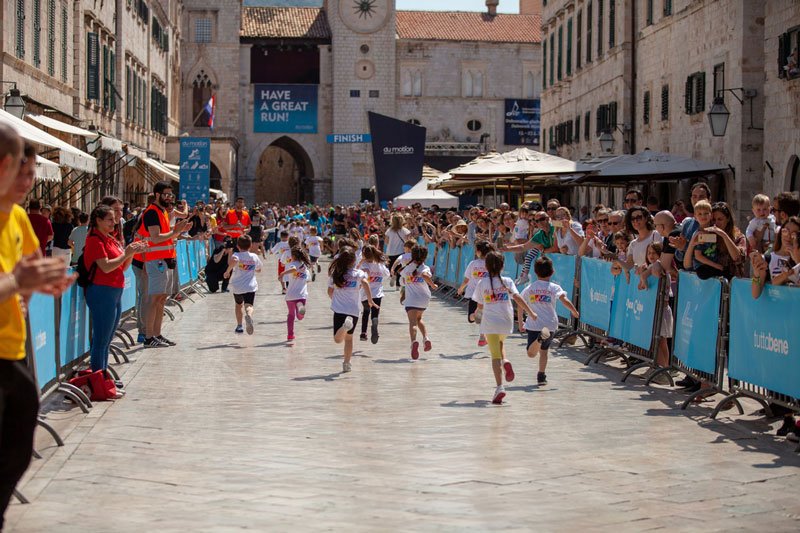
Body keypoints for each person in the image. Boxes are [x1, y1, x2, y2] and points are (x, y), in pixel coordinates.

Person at [0, 127, 74, 528]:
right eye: (22, 171)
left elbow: (28, 265)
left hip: (12, 349)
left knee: (16, 449)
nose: (28, 181)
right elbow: (17, 276)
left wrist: (35, 285)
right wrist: (19, 282)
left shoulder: (16, 216)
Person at [83, 205, 146, 375]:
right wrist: (126, 253)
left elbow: (122, 267)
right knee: (101, 340)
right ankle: (99, 377)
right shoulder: (95, 240)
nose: (114, 222)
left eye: (114, 219)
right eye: (109, 219)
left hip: (114, 290)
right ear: (98, 220)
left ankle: (103, 376)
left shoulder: (110, 239)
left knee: (107, 338)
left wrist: (131, 252)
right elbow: (105, 267)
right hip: (102, 291)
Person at [472, 251, 536, 404]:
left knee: (494, 355)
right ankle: (505, 361)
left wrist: (475, 315)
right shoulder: (507, 281)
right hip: (506, 322)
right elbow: (517, 297)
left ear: (486, 266)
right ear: (502, 266)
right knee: (500, 343)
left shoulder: (482, 283)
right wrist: (530, 312)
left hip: (490, 322)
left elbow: (480, 305)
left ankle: (500, 387)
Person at [134, 181, 191, 348]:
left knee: (161, 298)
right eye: (166, 195)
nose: (169, 198)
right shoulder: (152, 212)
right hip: (156, 260)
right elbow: (156, 237)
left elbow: (166, 236)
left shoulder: (163, 212)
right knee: (154, 299)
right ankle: (149, 336)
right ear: (157, 195)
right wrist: (175, 231)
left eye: (171, 195)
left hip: (165, 259)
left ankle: (157, 334)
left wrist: (178, 231)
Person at [518, 256, 579, 386]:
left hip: (534, 324)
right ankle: (541, 375)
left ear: (535, 272)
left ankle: (539, 340)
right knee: (544, 352)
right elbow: (564, 300)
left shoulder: (530, 288)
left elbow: (520, 303)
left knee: (531, 353)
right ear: (552, 272)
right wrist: (574, 311)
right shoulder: (554, 287)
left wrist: (520, 321)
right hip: (550, 324)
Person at [327, 248, 376, 373]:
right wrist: (370, 300)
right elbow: (365, 283)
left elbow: (330, 291)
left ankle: (344, 327)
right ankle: (347, 363)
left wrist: (334, 299)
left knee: (338, 340)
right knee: (349, 339)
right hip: (353, 310)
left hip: (339, 309)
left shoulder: (336, 274)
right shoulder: (358, 273)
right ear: (354, 261)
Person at [400, 245, 437, 359]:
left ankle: (414, 342)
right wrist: (432, 285)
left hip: (412, 299)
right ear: (425, 257)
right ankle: (426, 338)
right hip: (424, 298)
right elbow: (425, 275)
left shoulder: (407, 269)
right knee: (419, 318)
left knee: (413, 322)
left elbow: (402, 282)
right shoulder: (425, 268)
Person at [457, 240, 493, 347]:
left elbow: (466, 280)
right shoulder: (491, 264)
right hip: (487, 293)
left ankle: (478, 316)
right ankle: (482, 336)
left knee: (471, 318)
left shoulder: (473, 264)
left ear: (478, 251)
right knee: (483, 315)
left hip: (474, 294)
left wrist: (460, 289)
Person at [224, 235, 262, 335]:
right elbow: (259, 269)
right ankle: (248, 315)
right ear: (250, 245)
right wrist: (252, 268)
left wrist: (227, 271)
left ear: (238, 246)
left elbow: (234, 261)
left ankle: (239, 326)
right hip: (250, 286)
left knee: (238, 305)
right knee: (249, 305)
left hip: (238, 286)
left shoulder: (236, 255)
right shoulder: (254, 256)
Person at [358, 245, 389, 344]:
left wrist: (361, 262)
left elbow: (357, 273)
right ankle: (374, 324)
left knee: (366, 312)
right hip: (377, 293)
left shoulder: (364, 265)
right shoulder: (379, 264)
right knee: (375, 314)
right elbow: (387, 274)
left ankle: (363, 333)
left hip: (365, 294)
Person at [280, 246, 311, 341]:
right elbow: (308, 280)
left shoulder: (292, 264)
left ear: (293, 256)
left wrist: (283, 273)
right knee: (300, 317)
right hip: (301, 295)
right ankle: (300, 307)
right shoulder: (305, 267)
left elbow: (293, 269)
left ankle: (290, 335)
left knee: (291, 315)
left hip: (290, 295)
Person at [385, 214, 411, 287]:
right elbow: (407, 242)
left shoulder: (389, 230)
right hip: (401, 251)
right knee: (400, 268)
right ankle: (398, 284)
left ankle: (393, 276)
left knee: (392, 267)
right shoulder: (405, 230)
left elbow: (386, 241)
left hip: (391, 252)